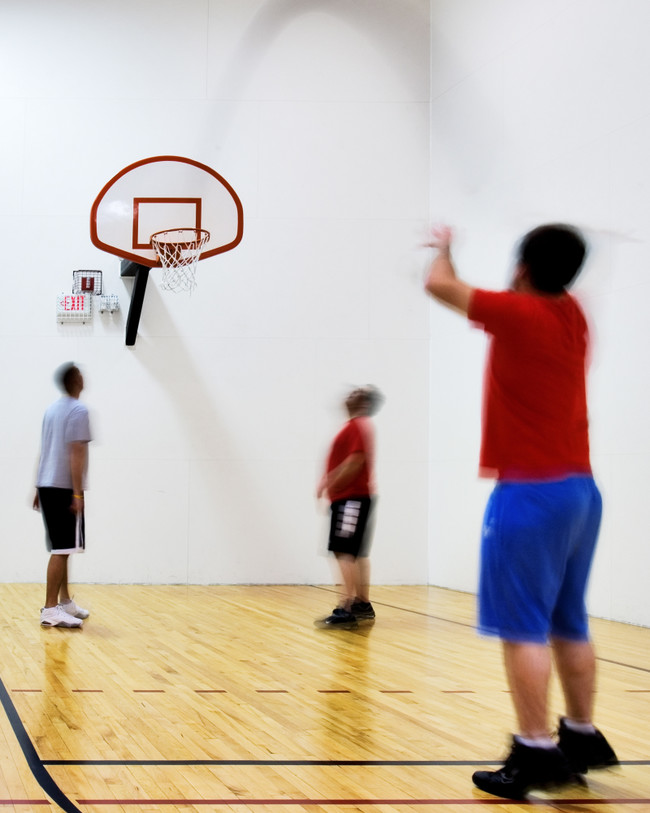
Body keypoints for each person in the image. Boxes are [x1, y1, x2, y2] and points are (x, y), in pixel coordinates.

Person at [423, 224, 618, 799]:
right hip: (581, 493)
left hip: (529, 496)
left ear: (524, 265)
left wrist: (443, 244)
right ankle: (580, 736)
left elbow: (438, 282)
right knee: (569, 621)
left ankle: (535, 750)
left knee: (524, 629)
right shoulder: (573, 315)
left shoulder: (517, 313)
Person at [316, 386, 383, 628]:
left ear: (364, 403)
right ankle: (362, 604)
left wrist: (332, 483)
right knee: (355, 552)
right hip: (354, 497)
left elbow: (356, 460)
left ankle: (345, 608)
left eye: (357, 393)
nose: (350, 394)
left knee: (344, 550)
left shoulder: (356, 426)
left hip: (350, 498)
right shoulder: (359, 426)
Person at [34, 363, 92, 628]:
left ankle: (65, 601)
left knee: (63, 548)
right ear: (75, 381)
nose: (83, 377)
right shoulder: (78, 410)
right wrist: (77, 495)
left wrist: (38, 486)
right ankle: (49, 609)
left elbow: (44, 449)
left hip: (47, 486)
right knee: (61, 550)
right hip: (63, 489)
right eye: (80, 374)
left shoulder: (51, 409)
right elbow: (76, 452)